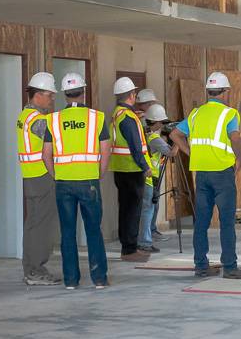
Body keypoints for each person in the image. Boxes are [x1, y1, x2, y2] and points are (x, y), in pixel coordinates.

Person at [170, 71, 241, 279]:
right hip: (222, 173)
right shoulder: (229, 114)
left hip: (202, 174)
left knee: (201, 222)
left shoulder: (196, 114)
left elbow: (175, 134)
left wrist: (191, 152)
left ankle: (201, 266)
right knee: (227, 222)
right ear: (226, 92)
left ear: (209, 92)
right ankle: (230, 267)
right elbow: (236, 138)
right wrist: (238, 158)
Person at [42, 72, 110, 290]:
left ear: (64, 95)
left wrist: (56, 175)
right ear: (84, 91)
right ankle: (99, 279)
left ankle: (71, 280)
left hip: (63, 183)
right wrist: (99, 172)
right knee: (93, 230)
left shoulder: (52, 120)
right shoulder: (96, 118)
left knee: (67, 232)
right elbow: (106, 150)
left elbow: (46, 154)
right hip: (89, 180)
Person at [16, 72, 62, 286]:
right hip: (42, 176)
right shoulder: (38, 121)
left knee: (34, 224)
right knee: (40, 225)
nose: (52, 100)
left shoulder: (24, 116)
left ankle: (31, 269)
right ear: (38, 95)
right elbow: (57, 142)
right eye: (50, 96)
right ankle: (35, 270)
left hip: (31, 176)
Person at [110, 76, 153, 262]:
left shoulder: (118, 113)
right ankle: (129, 249)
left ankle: (128, 247)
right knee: (132, 210)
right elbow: (136, 146)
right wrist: (145, 165)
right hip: (131, 169)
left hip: (120, 168)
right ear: (132, 95)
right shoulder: (128, 118)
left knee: (126, 209)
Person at [137, 103, 178, 253]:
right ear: (156, 122)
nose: (163, 125)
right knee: (148, 209)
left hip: (144, 176)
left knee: (145, 208)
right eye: (162, 122)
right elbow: (172, 153)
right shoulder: (154, 138)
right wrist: (178, 138)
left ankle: (143, 239)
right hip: (150, 177)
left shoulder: (144, 133)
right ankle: (145, 241)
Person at [135, 88, 170, 243]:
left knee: (151, 203)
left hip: (152, 170)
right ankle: (145, 236)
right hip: (147, 171)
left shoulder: (146, 118)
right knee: (148, 205)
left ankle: (151, 231)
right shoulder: (138, 119)